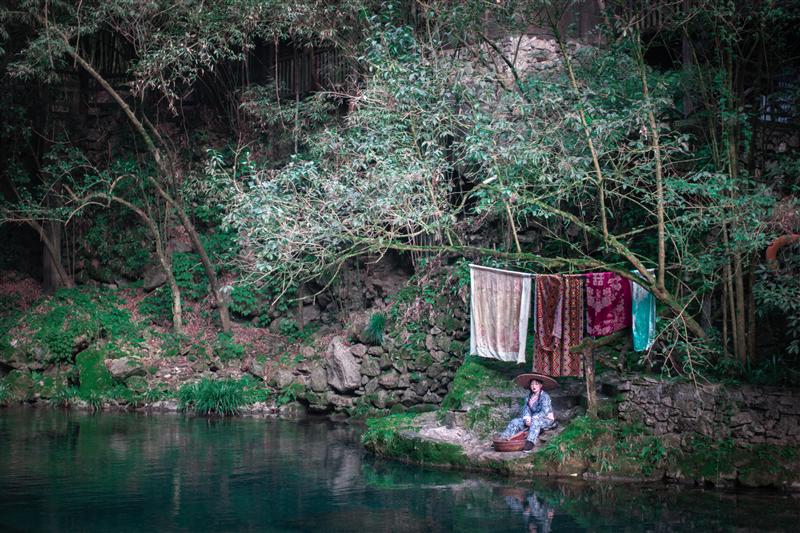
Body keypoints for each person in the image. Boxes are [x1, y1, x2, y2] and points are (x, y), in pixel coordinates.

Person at [499, 373, 557, 451]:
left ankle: (530, 442)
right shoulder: (528, 397)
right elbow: (526, 410)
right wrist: (527, 419)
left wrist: (532, 419)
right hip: (531, 419)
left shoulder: (545, 397)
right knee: (515, 421)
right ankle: (503, 438)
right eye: (532, 384)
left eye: (536, 384)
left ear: (540, 385)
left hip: (545, 419)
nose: (534, 386)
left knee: (535, 422)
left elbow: (545, 411)